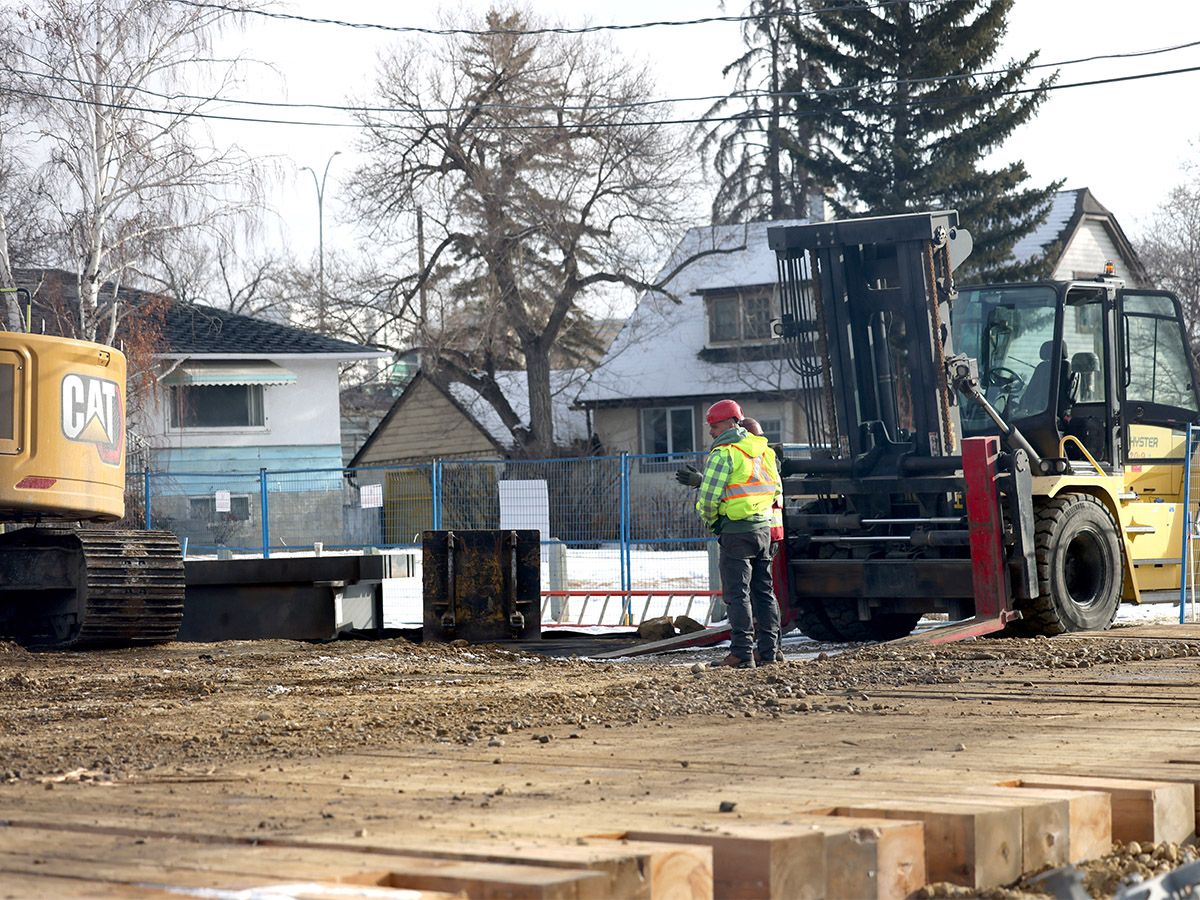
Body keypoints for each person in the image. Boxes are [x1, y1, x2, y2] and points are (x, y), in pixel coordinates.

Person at [677, 399, 782, 669]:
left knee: (737, 595)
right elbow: (776, 492)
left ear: (730, 423)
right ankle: (770, 652)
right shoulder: (764, 452)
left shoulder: (724, 453)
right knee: (764, 592)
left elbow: (710, 498)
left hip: (736, 531)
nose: (711, 431)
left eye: (713, 425)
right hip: (764, 530)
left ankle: (742, 654)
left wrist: (714, 523)